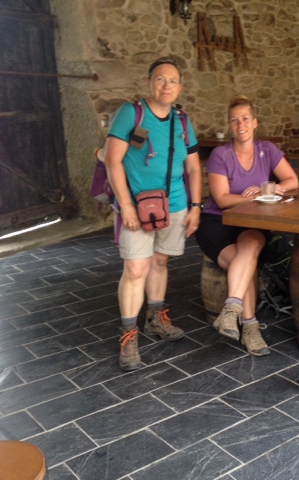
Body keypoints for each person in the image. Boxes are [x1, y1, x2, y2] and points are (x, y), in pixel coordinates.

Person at [105, 57, 203, 371]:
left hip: (174, 204)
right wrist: (126, 205)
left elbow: (194, 168)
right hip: (137, 205)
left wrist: (196, 207)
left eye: (172, 81)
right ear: (149, 82)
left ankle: (155, 318)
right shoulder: (131, 113)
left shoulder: (183, 121)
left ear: (180, 88)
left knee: (160, 261)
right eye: (160, 79)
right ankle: (128, 336)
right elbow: (112, 160)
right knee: (136, 268)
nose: (166, 86)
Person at [195, 95, 299, 356]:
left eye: (245, 119)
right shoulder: (221, 155)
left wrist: (270, 188)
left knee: (250, 246)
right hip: (218, 222)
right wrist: (253, 197)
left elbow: (292, 180)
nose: (240, 124)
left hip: (252, 222)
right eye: (234, 120)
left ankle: (231, 311)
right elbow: (222, 199)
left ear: (255, 122)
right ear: (230, 126)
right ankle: (250, 327)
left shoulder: (267, 150)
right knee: (245, 263)